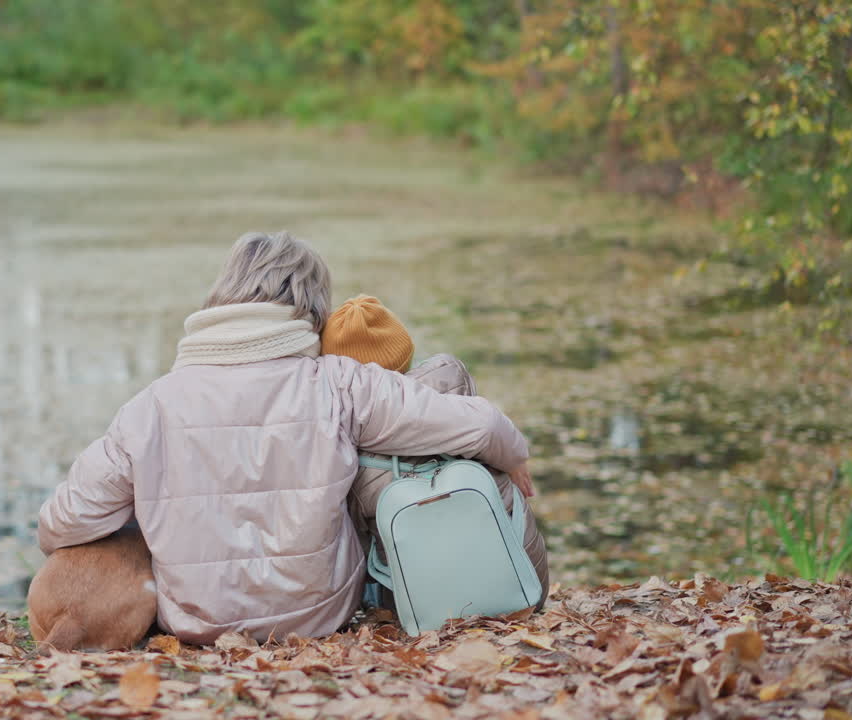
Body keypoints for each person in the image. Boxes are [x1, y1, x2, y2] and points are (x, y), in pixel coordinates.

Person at [37, 231, 532, 644]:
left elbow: (62, 525)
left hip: (196, 623)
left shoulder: (150, 406)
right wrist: (514, 458)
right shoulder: (341, 381)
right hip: (315, 618)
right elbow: (481, 424)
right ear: (315, 307)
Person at [321, 295, 549, 610]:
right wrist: (515, 460)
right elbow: (489, 428)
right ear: (408, 353)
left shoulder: (343, 429)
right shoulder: (452, 385)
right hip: (523, 585)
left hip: (423, 610)